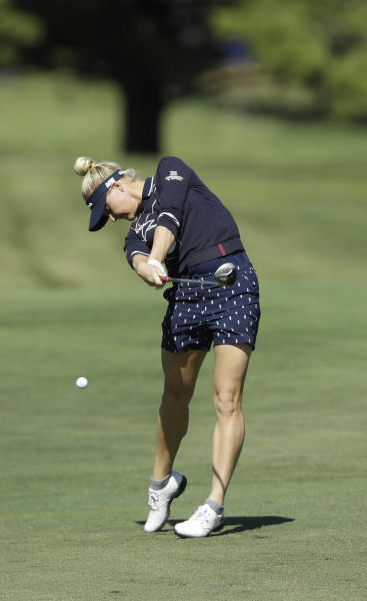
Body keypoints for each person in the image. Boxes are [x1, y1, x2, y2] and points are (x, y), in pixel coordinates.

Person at [73, 155, 260, 538]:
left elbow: (169, 219)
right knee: (175, 394)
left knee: (227, 399)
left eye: (105, 209)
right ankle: (161, 485)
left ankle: (214, 505)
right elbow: (137, 257)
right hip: (187, 297)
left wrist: (158, 257)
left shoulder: (170, 172)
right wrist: (146, 268)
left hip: (232, 285)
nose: (110, 219)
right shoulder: (132, 234)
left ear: (119, 187)